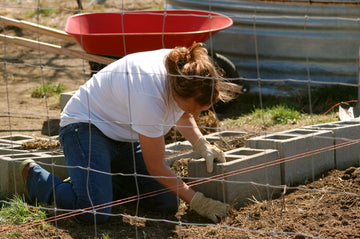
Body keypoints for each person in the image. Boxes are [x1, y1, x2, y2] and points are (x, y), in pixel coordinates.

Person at [19, 42, 241, 224]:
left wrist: (201, 144)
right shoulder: (150, 94)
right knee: (95, 212)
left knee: (166, 202)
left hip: (123, 135)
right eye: (193, 107)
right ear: (178, 91)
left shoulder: (183, 70)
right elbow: (156, 166)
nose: (195, 113)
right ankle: (37, 178)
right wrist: (198, 201)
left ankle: (98, 178)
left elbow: (182, 113)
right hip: (85, 126)